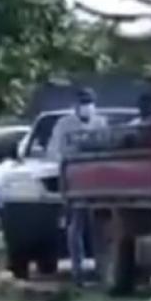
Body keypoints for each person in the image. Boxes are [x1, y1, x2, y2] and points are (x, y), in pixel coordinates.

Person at [48, 88, 107, 286]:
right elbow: (54, 151)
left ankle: (102, 268)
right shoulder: (64, 125)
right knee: (76, 226)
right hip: (75, 180)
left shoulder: (100, 122)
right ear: (75, 105)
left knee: (100, 225)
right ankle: (77, 270)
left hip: (98, 180)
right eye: (82, 102)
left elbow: (107, 146)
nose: (86, 106)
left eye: (89, 102)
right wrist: (67, 162)